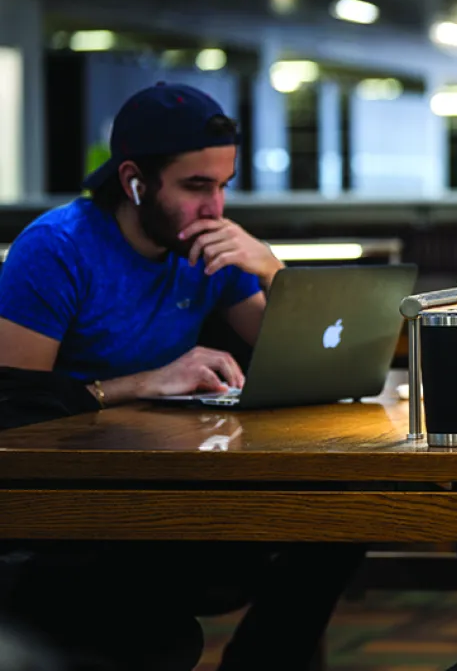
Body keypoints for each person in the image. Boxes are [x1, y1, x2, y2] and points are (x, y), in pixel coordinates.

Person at [0, 83, 362, 671]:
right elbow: (11, 408)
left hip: (175, 485)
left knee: (345, 510)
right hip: (79, 511)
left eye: (224, 185)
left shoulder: (207, 246)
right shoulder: (56, 249)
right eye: (197, 186)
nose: (216, 208)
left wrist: (273, 270)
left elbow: (311, 356)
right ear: (134, 181)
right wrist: (144, 382)